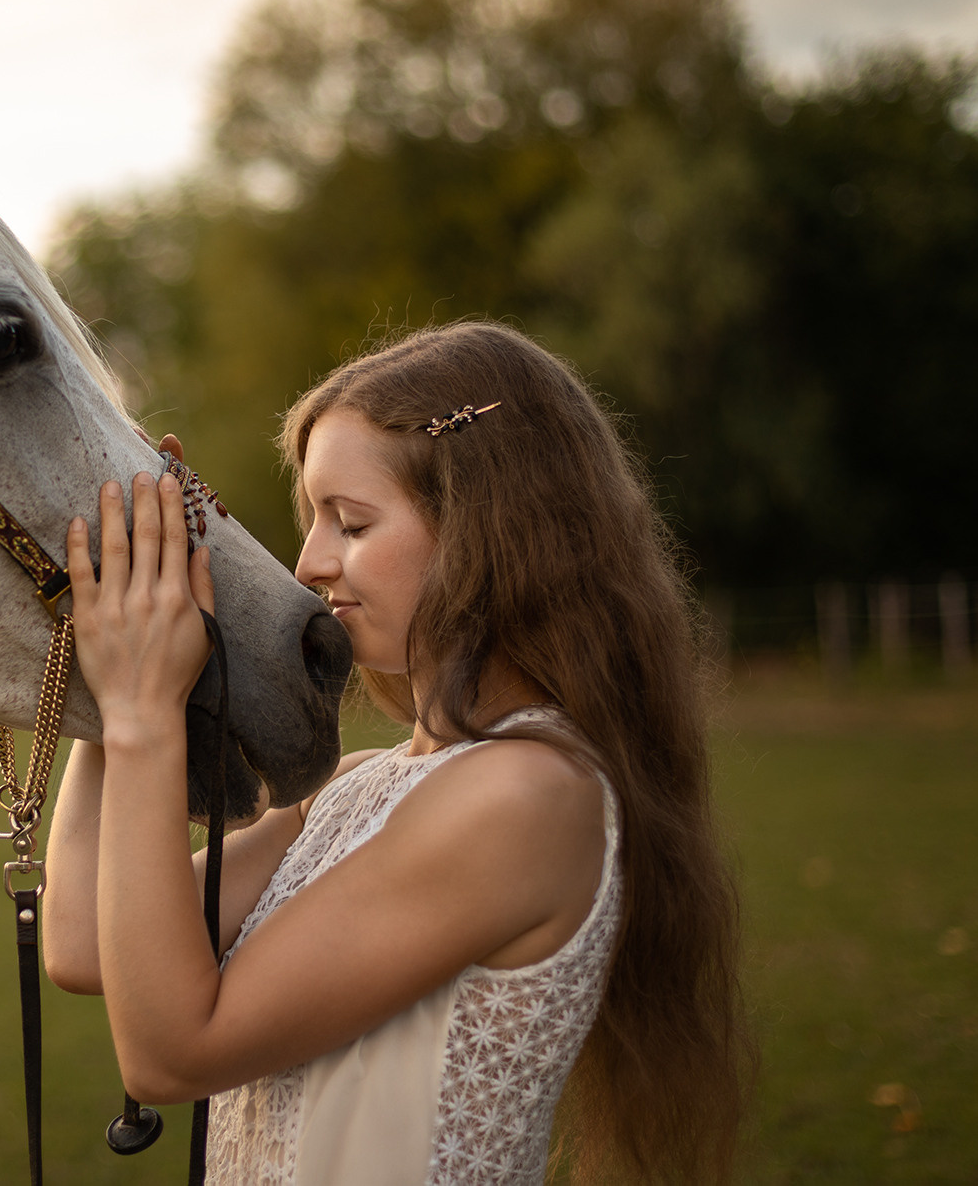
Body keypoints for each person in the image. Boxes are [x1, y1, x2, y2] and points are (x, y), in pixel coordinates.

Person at [42, 322, 748, 1185]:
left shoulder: (526, 795)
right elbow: (81, 940)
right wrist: (109, 656)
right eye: (314, 519)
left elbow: (172, 1053)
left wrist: (144, 709)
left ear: (489, 530)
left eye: (351, 521)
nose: (311, 561)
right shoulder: (352, 788)